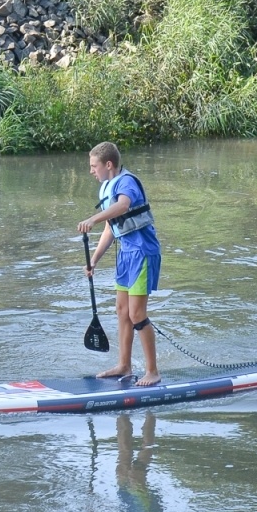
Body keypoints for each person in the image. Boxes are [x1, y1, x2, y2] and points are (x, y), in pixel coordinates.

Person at [77, 141, 162, 385]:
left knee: (137, 314)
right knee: (122, 312)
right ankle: (124, 365)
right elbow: (110, 229)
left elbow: (123, 206)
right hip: (125, 254)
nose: (92, 171)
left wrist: (92, 218)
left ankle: (153, 371)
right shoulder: (106, 188)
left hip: (143, 252)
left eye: (94, 166)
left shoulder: (126, 182)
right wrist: (93, 260)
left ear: (109, 164)